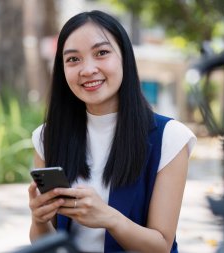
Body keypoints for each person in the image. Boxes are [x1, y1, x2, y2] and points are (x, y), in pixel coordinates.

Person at [28, 10, 196, 253]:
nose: (87, 69)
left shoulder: (170, 137)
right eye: (73, 59)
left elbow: (161, 246)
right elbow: (46, 243)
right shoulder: (47, 137)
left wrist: (109, 218)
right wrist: (39, 219)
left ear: (125, 58)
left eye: (102, 53)